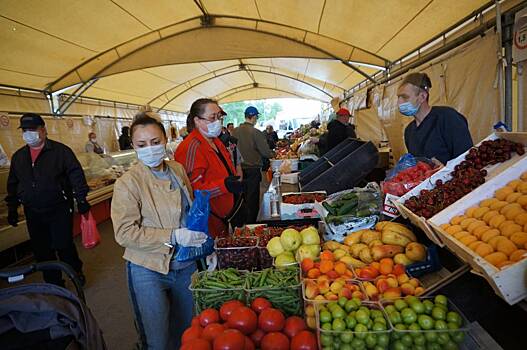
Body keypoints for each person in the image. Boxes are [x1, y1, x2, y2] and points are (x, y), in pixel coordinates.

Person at [111, 111, 207, 349]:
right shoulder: (128, 183)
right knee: (157, 338)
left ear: (165, 140)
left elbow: (190, 212)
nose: (150, 149)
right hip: (148, 269)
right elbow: (124, 232)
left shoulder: (177, 169)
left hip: (186, 265)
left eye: (155, 142)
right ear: (133, 146)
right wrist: (172, 235)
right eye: (142, 144)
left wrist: (205, 246)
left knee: (189, 330)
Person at [5, 113, 89, 286]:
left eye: (32, 129)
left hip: (59, 207)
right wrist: (12, 208)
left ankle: (75, 273)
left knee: (63, 245)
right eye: (25, 130)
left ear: (43, 130)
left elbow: (76, 174)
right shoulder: (19, 157)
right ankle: (54, 282)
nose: (28, 134)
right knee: (41, 250)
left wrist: (81, 199)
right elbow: (13, 183)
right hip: (33, 210)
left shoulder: (61, 151)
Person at [175, 98, 246, 237]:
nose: (218, 122)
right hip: (209, 221)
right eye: (212, 118)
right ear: (197, 120)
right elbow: (191, 190)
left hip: (227, 215)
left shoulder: (215, 141)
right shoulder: (191, 147)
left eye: (219, 117)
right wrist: (224, 185)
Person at [398, 72, 473, 165]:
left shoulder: (448, 118)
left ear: (422, 96)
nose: (399, 102)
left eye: (405, 97)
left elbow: (468, 158)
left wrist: (445, 169)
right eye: (399, 97)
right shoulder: (409, 132)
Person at [233, 106, 274, 223]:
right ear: (254, 117)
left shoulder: (234, 131)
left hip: (237, 171)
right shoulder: (256, 132)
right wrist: (273, 154)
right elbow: (266, 152)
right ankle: (251, 225)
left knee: (241, 199)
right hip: (252, 171)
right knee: (252, 200)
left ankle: (241, 225)